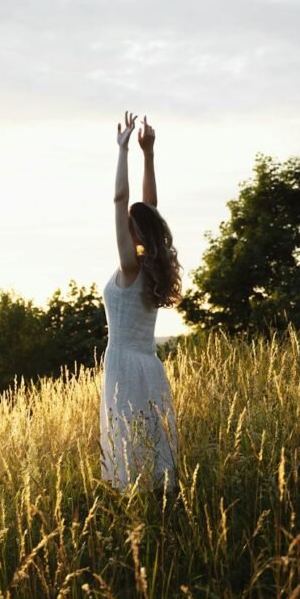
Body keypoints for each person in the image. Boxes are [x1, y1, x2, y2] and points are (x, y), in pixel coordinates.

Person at [101, 111, 182, 492]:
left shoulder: (130, 265)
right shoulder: (152, 265)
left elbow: (122, 200)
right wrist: (148, 154)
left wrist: (123, 151)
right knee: (150, 450)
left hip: (122, 364)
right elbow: (149, 207)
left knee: (128, 450)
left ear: (134, 229)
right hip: (149, 365)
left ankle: (137, 518)